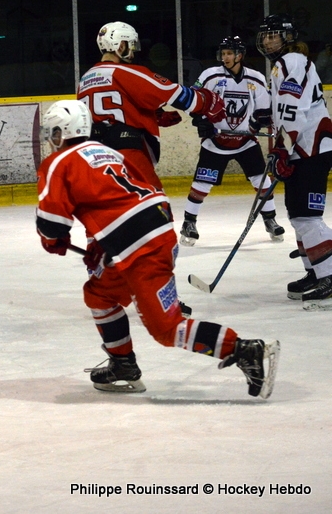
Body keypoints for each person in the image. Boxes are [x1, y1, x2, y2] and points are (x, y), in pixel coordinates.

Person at [35, 99, 279, 398]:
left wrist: (53, 241)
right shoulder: (107, 151)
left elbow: (52, 225)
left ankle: (242, 349)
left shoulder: (58, 162)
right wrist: (104, 243)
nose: (51, 140)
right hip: (157, 229)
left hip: (139, 247)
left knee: (166, 330)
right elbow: (132, 194)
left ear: (61, 132)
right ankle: (122, 364)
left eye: (53, 132)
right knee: (99, 294)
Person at [77, 21, 227, 191]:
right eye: (131, 45)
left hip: (93, 156)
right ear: (121, 45)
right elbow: (172, 93)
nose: (133, 52)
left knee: (109, 204)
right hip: (126, 153)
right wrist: (207, 101)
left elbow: (113, 109)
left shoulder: (85, 79)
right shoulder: (125, 72)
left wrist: (154, 115)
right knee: (153, 203)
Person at [256, 14, 332, 310]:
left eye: (273, 35)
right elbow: (283, 108)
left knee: (307, 217)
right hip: (301, 147)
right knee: (297, 213)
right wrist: (265, 119)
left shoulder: (293, 61)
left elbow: (293, 110)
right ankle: (315, 270)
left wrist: (281, 148)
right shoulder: (283, 65)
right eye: (265, 36)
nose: (267, 41)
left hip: (311, 148)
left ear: (287, 37)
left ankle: (328, 275)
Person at [180, 35, 284, 246]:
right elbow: (194, 101)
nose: (225, 57)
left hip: (245, 141)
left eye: (229, 53)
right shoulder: (210, 75)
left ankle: (270, 220)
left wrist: (259, 121)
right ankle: (189, 223)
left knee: (261, 180)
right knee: (202, 183)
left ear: (240, 55)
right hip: (215, 142)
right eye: (223, 53)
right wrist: (201, 120)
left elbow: (264, 109)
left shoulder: (255, 78)